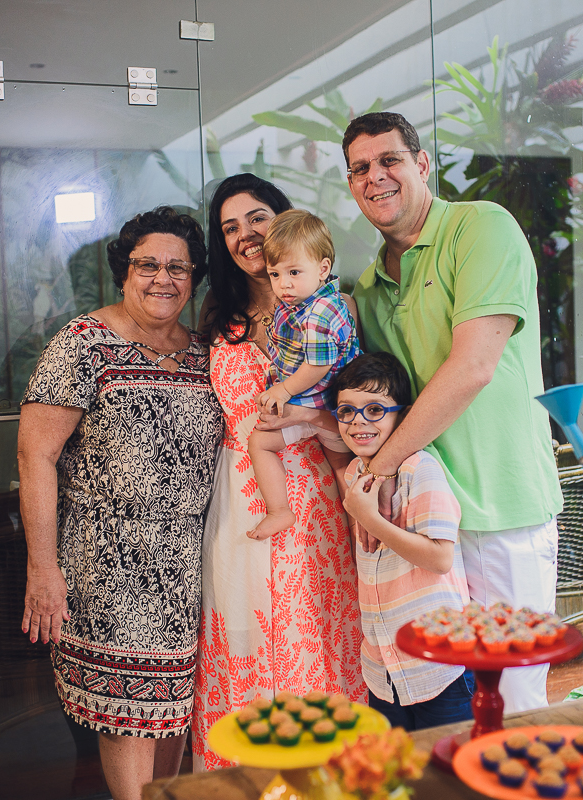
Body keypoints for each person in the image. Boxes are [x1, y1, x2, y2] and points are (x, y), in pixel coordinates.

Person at [343, 112, 564, 712]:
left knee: (513, 704)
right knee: (446, 708)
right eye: (359, 169)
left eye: (389, 160)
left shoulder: (482, 228)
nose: (375, 177)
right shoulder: (368, 287)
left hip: (500, 511)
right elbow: (375, 397)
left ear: (421, 165)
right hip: (425, 521)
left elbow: (472, 367)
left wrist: (376, 471)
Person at [18, 206, 224, 800]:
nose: (163, 279)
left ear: (194, 277)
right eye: (148, 265)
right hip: (108, 573)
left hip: (188, 571)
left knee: (173, 715)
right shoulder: (83, 345)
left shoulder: (203, 352)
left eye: (178, 268)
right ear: (123, 271)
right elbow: (35, 458)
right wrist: (43, 568)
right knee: (129, 718)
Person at [192, 174, 366, 770]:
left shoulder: (330, 310)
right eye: (230, 227)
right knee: (245, 637)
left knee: (312, 635)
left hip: (314, 491)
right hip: (240, 503)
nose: (245, 235)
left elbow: (357, 405)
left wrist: (314, 417)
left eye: (257, 218)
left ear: (286, 222)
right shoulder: (221, 318)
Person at [333, 352, 474, 731]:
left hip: (439, 667)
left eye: (375, 409)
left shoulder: (420, 469)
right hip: (384, 672)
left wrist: (369, 518)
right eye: (346, 411)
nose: (358, 421)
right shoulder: (353, 473)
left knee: (448, 779)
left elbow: (440, 558)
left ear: (404, 413)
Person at [247, 209, 361, 541]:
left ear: (323, 268)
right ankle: (290, 513)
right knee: (337, 470)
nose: (284, 284)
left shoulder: (321, 311)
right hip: (318, 406)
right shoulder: (299, 302)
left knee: (264, 444)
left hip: (327, 405)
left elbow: (317, 365)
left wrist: (282, 390)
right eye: (275, 274)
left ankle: (287, 512)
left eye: (294, 272)